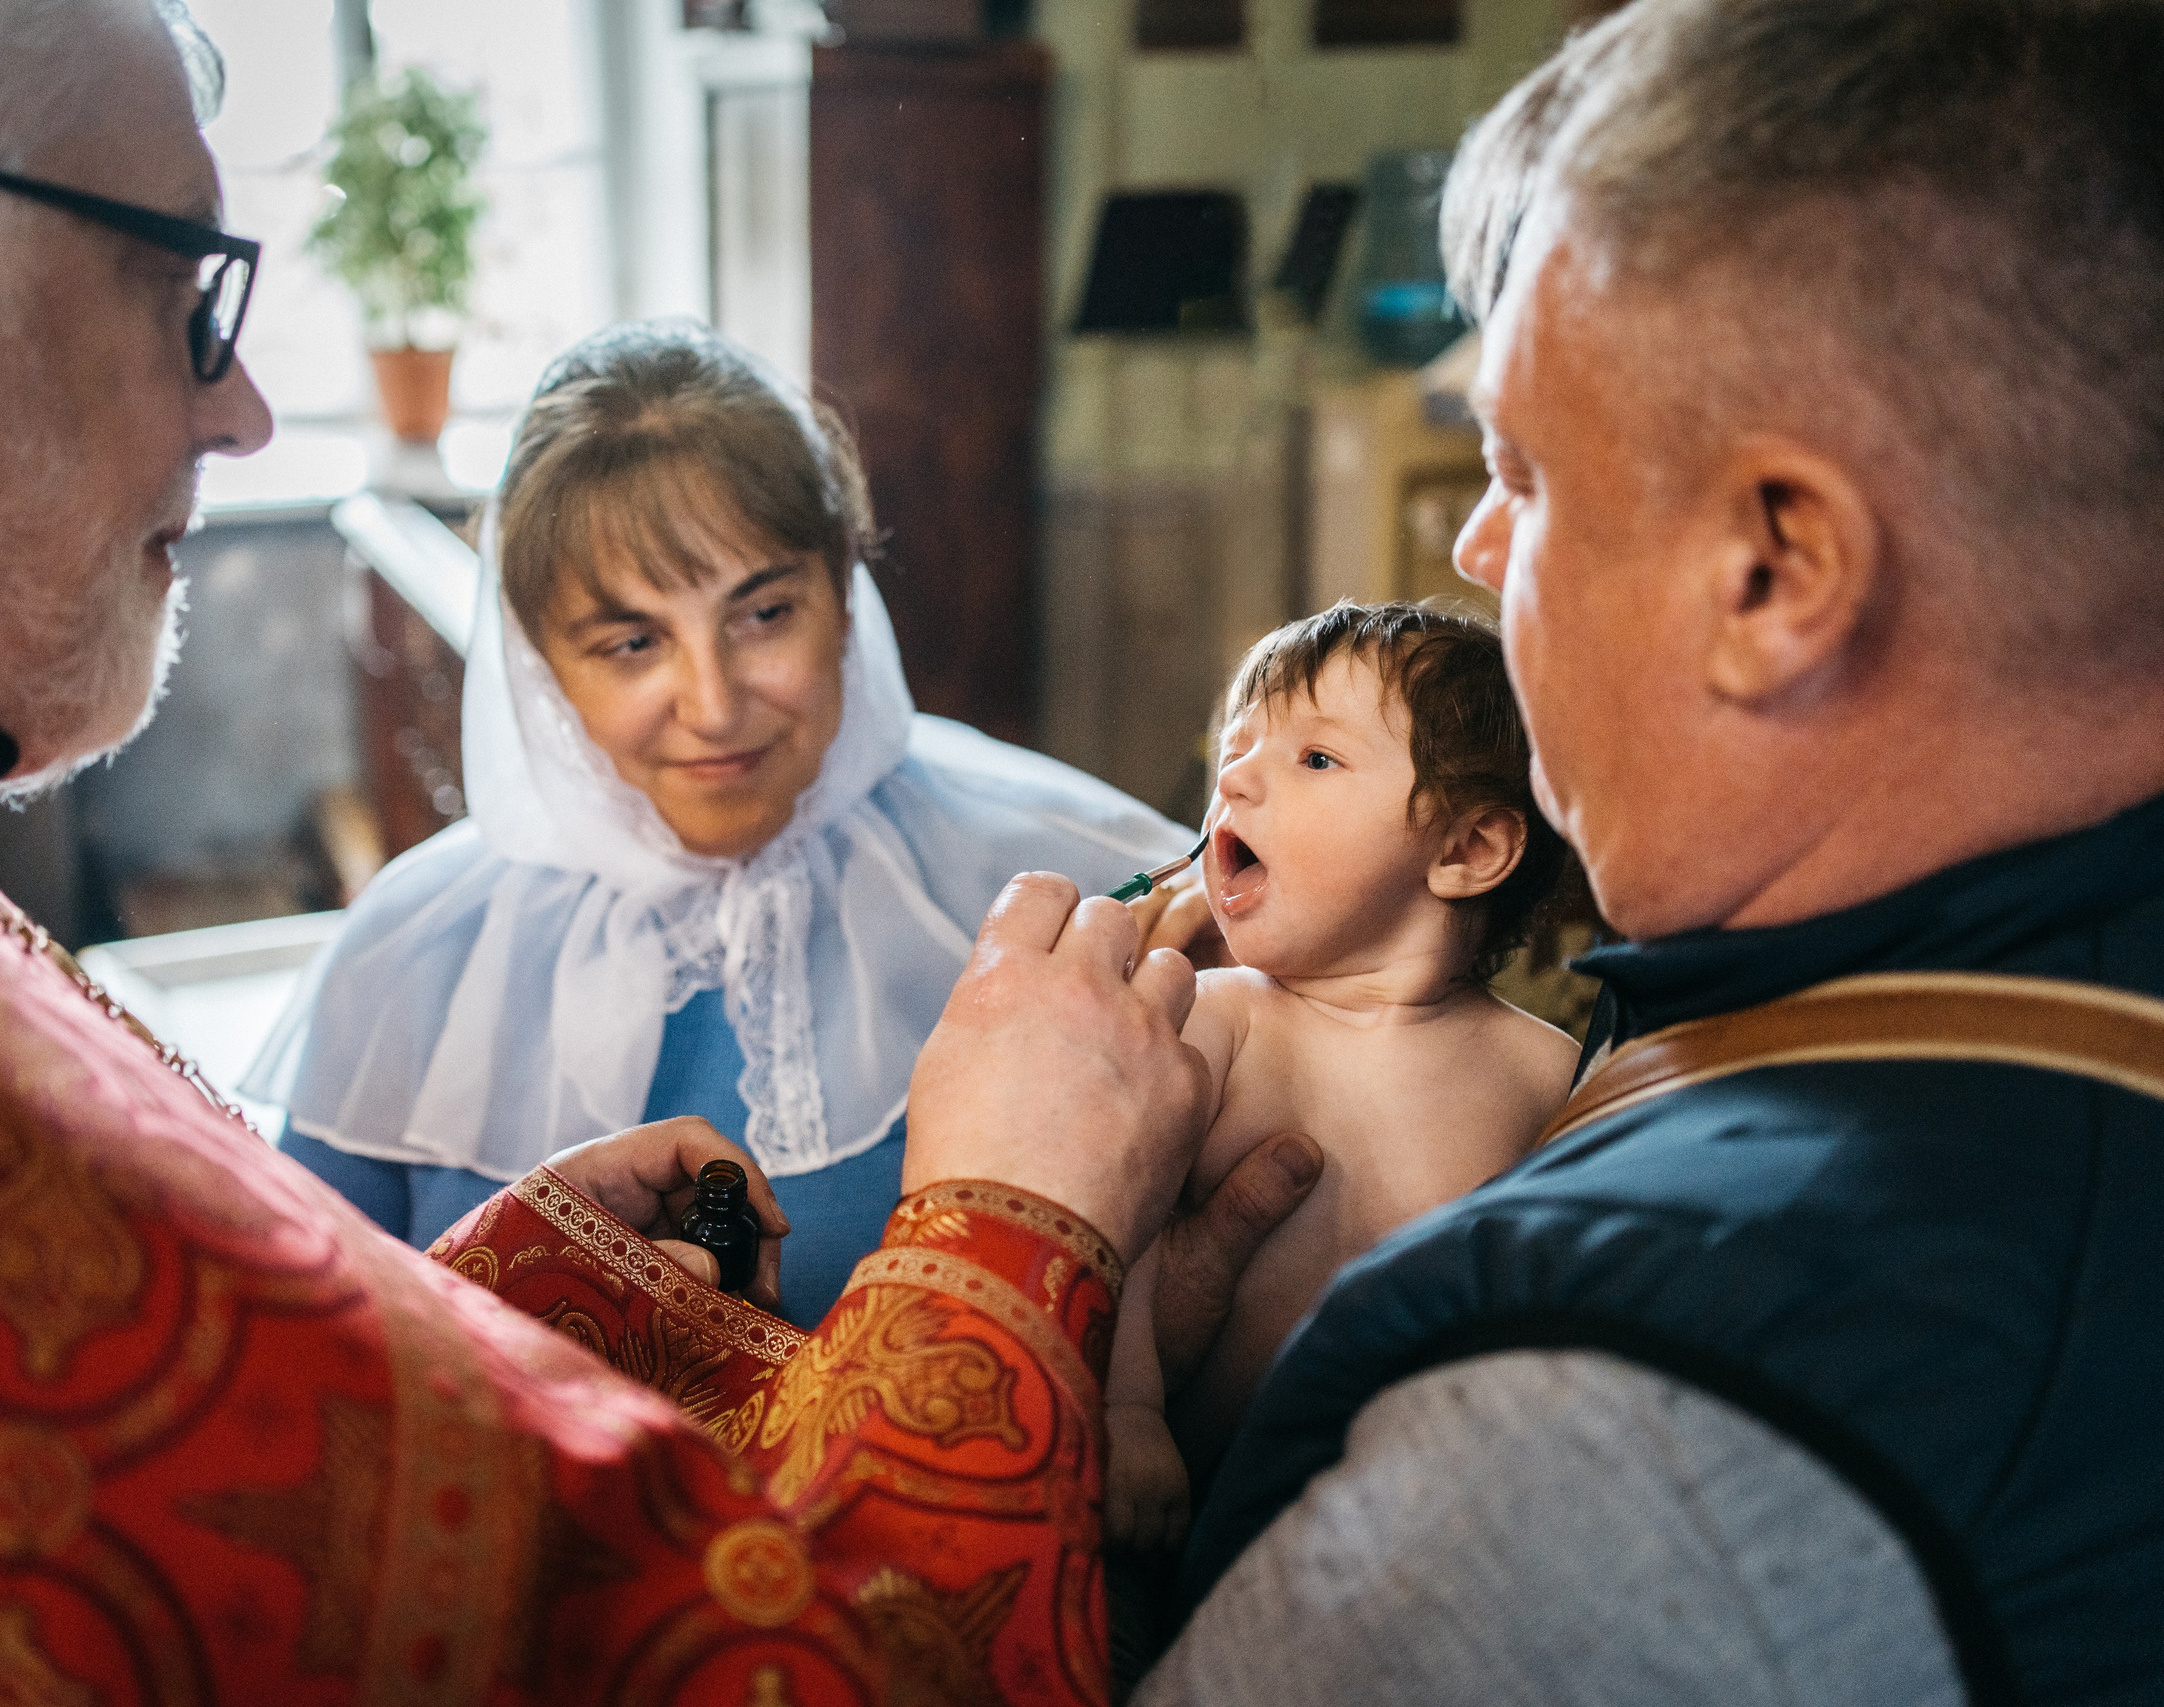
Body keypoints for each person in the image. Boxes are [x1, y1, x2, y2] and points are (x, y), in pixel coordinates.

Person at [0, 3, 1279, 1700]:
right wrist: (1018, 1221)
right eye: (184, 295)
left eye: (765, 611)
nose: (249, 410)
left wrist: (508, 1289)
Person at [1138, 1, 2164, 1702]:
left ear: (1772, 574)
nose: (1476, 545)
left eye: (1527, 475)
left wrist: (998, 1254)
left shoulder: (1622, 1433)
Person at [253, 320, 1195, 1328]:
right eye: (630, 642)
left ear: (841, 586)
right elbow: (318, 1347)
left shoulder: (1074, 886)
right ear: (540, 663)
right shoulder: (414, 951)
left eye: (762, 616)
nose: (711, 703)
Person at [1103, 604, 1577, 1557]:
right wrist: (1128, 1413)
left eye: (1315, 759)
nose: (1232, 779)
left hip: (1434, 1533)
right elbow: (1116, 1224)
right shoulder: (1215, 1018)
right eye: (1235, 752)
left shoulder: (1547, 1072)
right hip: (1193, 1522)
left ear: (1467, 850)